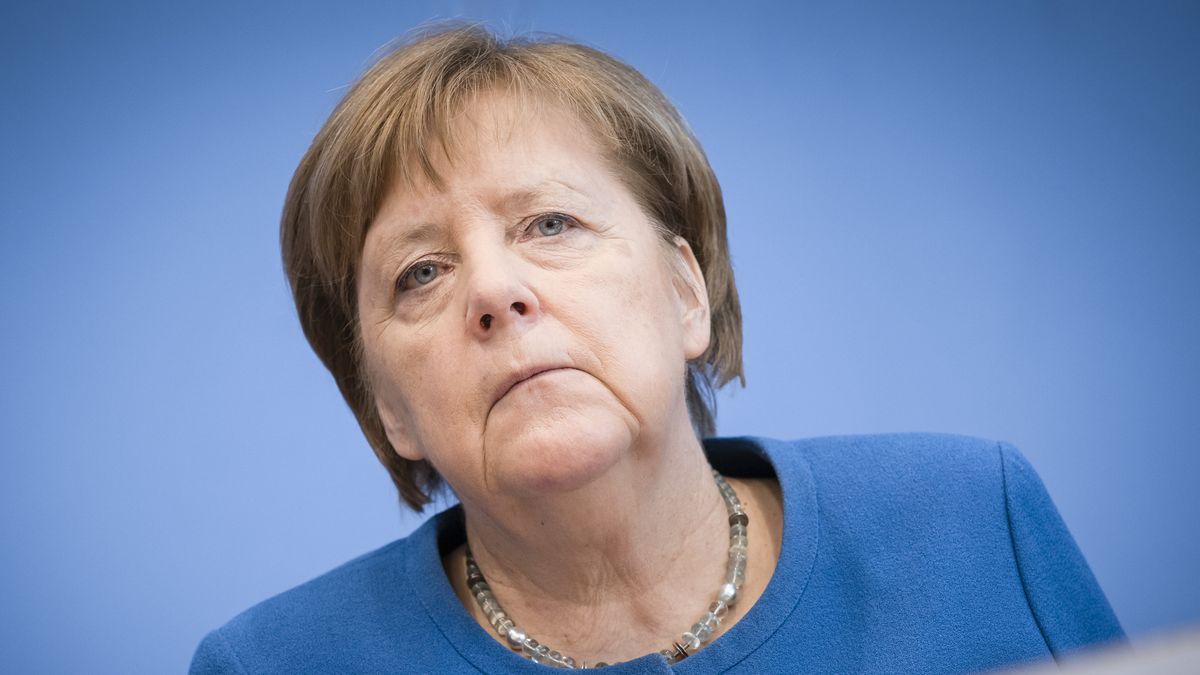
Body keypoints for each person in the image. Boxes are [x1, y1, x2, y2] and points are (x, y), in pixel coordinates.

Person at [190, 25, 1124, 673]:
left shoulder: (972, 519)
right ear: (388, 407)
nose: (492, 290)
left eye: (550, 222)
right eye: (421, 273)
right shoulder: (274, 663)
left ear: (685, 292)